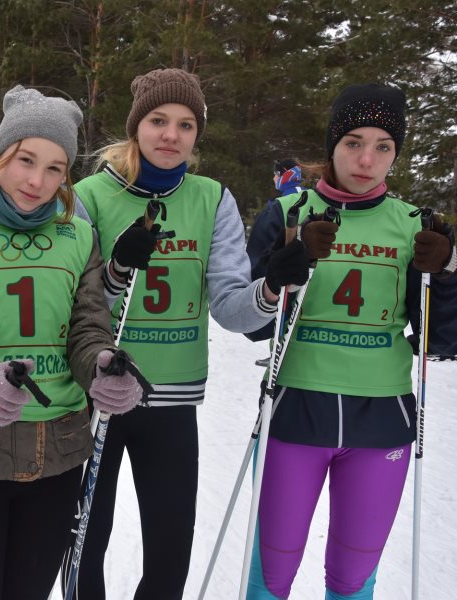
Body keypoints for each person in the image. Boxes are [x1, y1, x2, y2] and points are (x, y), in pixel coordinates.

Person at [73, 68, 310, 599]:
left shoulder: (212, 198)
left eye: (185, 124)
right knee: (85, 540)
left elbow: (231, 308)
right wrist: (114, 272)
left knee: (170, 551)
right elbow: (74, 307)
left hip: (173, 398)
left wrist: (269, 288)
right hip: (98, 395)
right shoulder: (90, 195)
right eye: (158, 121)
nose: (170, 135)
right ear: (137, 126)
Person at [0, 84, 145, 600]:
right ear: (0, 157)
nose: (37, 181)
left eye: (56, 168)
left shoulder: (78, 237)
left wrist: (103, 366)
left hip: (57, 453)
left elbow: (88, 329)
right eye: (26, 160)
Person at [245, 83, 457, 599]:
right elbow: (252, 321)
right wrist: (286, 270)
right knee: (273, 574)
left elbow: (441, 340)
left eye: (383, 146)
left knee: (353, 576)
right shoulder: (289, 213)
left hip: (381, 421)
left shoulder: (414, 225)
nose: (366, 159)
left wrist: (447, 273)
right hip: (295, 409)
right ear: (332, 146)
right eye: (353, 142)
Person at [248, 158, 307, 366]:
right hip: (313, 268)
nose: (274, 179)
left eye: (276, 174)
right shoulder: (312, 195)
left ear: (285, 175)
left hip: (290, 266)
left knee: (285, 307)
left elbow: (262, 245)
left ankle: (279, 351)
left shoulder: (284, 202)